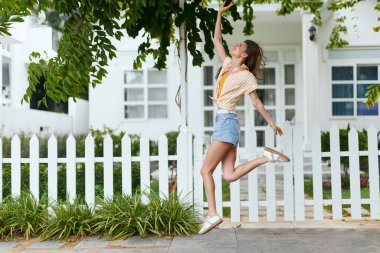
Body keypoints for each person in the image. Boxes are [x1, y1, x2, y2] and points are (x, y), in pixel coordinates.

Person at [198, 0, 290, 235]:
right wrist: (219, 14)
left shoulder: (248, 77)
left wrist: (271, 123)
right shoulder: (228, 64)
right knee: (229, 175)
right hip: (227, 123)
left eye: (239, 45)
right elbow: (217, 40)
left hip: (226, 123)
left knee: (205, 171)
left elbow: (256, 102)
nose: (235, 46)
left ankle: (213, 214)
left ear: (245, 54)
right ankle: (266, 158)